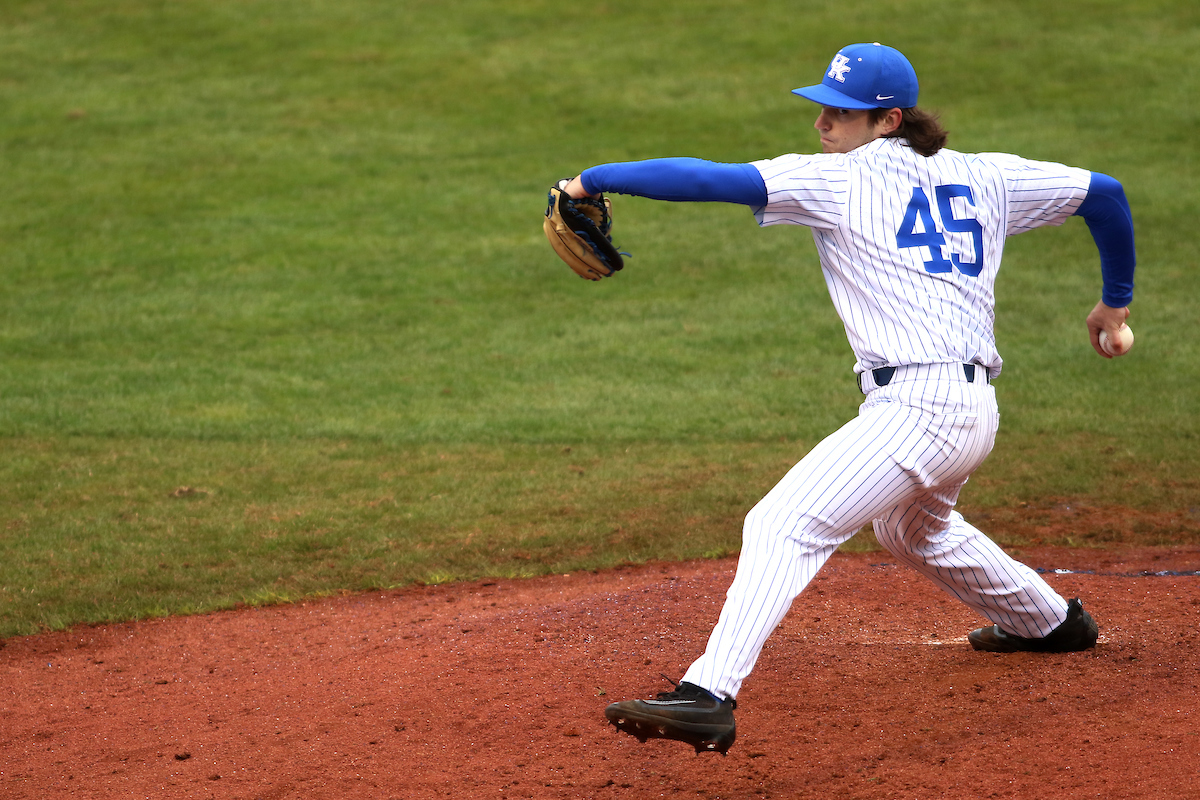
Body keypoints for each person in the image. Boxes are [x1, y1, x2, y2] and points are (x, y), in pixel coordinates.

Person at [560, 43, 1135, 754]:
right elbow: (1105, 193)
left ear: (889, 120)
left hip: (918, 411)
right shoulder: (989, 176)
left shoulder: (837, 182)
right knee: (909, 531)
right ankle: (1050, 622)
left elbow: (710, 180)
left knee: (781, 524)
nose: (824, 124)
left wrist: (590, 180)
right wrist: (1114, 306)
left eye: (843, 113)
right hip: (970, 412)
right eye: (823, 109)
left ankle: (708, 694)